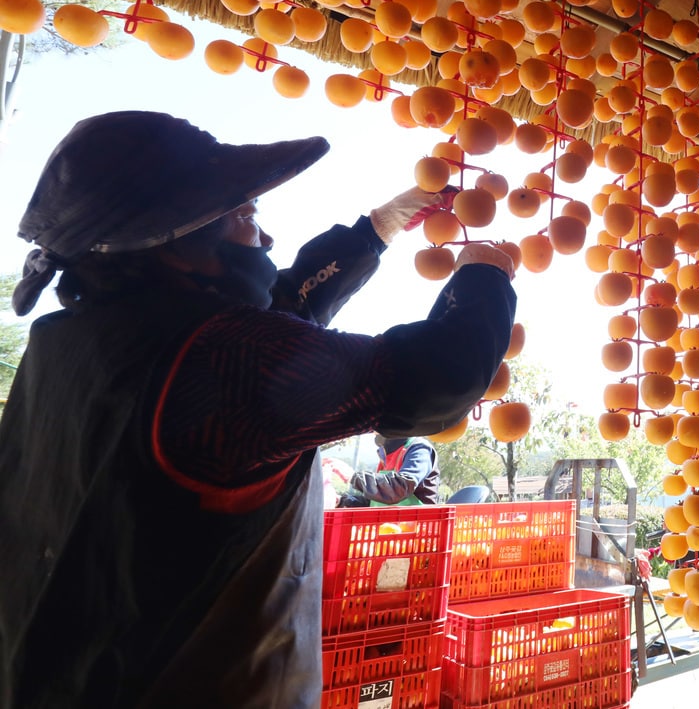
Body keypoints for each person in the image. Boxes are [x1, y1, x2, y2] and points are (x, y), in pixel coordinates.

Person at [0, 110, 518, 709]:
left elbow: (279, 312)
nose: (265, 239)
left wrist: (379, 226)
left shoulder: (68, 341)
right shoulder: (226, 358)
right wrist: (483, 280)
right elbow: (439, 377)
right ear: (180, 244)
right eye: (246, 217)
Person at [339, 434, 441, 506]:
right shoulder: (385, 455)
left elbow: (398, 489)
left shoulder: (420, 449)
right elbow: (377, 501)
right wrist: (344, 501)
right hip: (389, 527)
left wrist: (353, 476)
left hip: (418, 527)